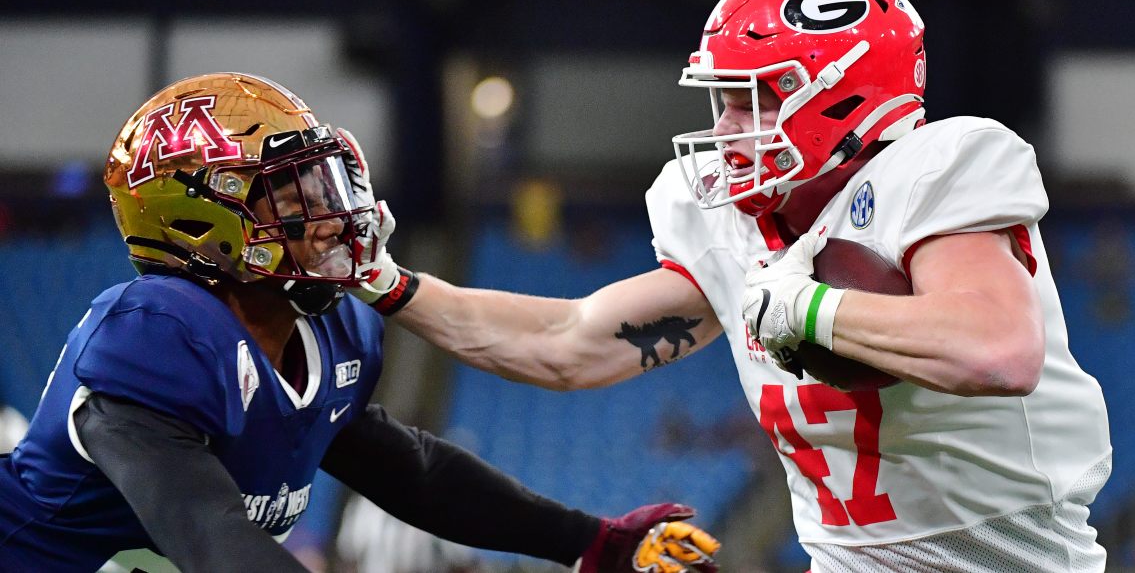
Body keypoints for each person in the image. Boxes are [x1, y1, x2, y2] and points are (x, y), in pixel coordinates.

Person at [349, 0, 1113, 572]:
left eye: (753, 99)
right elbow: (568, 343)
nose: (727, 128)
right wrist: (390, 284)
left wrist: (806, 311)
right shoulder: (731, 225)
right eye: (723, 100)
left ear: (845, 100)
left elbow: (996, 350)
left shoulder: (939, 169)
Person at [0, 72, 721, 573]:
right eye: (293, 195)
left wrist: (587, 542)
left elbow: (411, 469)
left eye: (324, 181)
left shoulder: (323, 329)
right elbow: (213, 539)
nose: (329, 212)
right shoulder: (159, 333)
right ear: (203, 220)